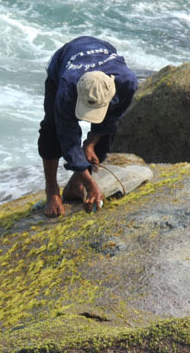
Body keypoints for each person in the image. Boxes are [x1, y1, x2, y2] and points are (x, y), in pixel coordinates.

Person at [38, 36, 138, 217]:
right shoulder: (66, 89)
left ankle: (77, 183)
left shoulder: (127, 82)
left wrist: (91, 143)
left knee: (107, 130)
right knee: (51, 129)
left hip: (99, 51)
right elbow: (68, 139)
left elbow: (113, 117)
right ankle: (51, 190)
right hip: (64, 61)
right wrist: (91, 185)